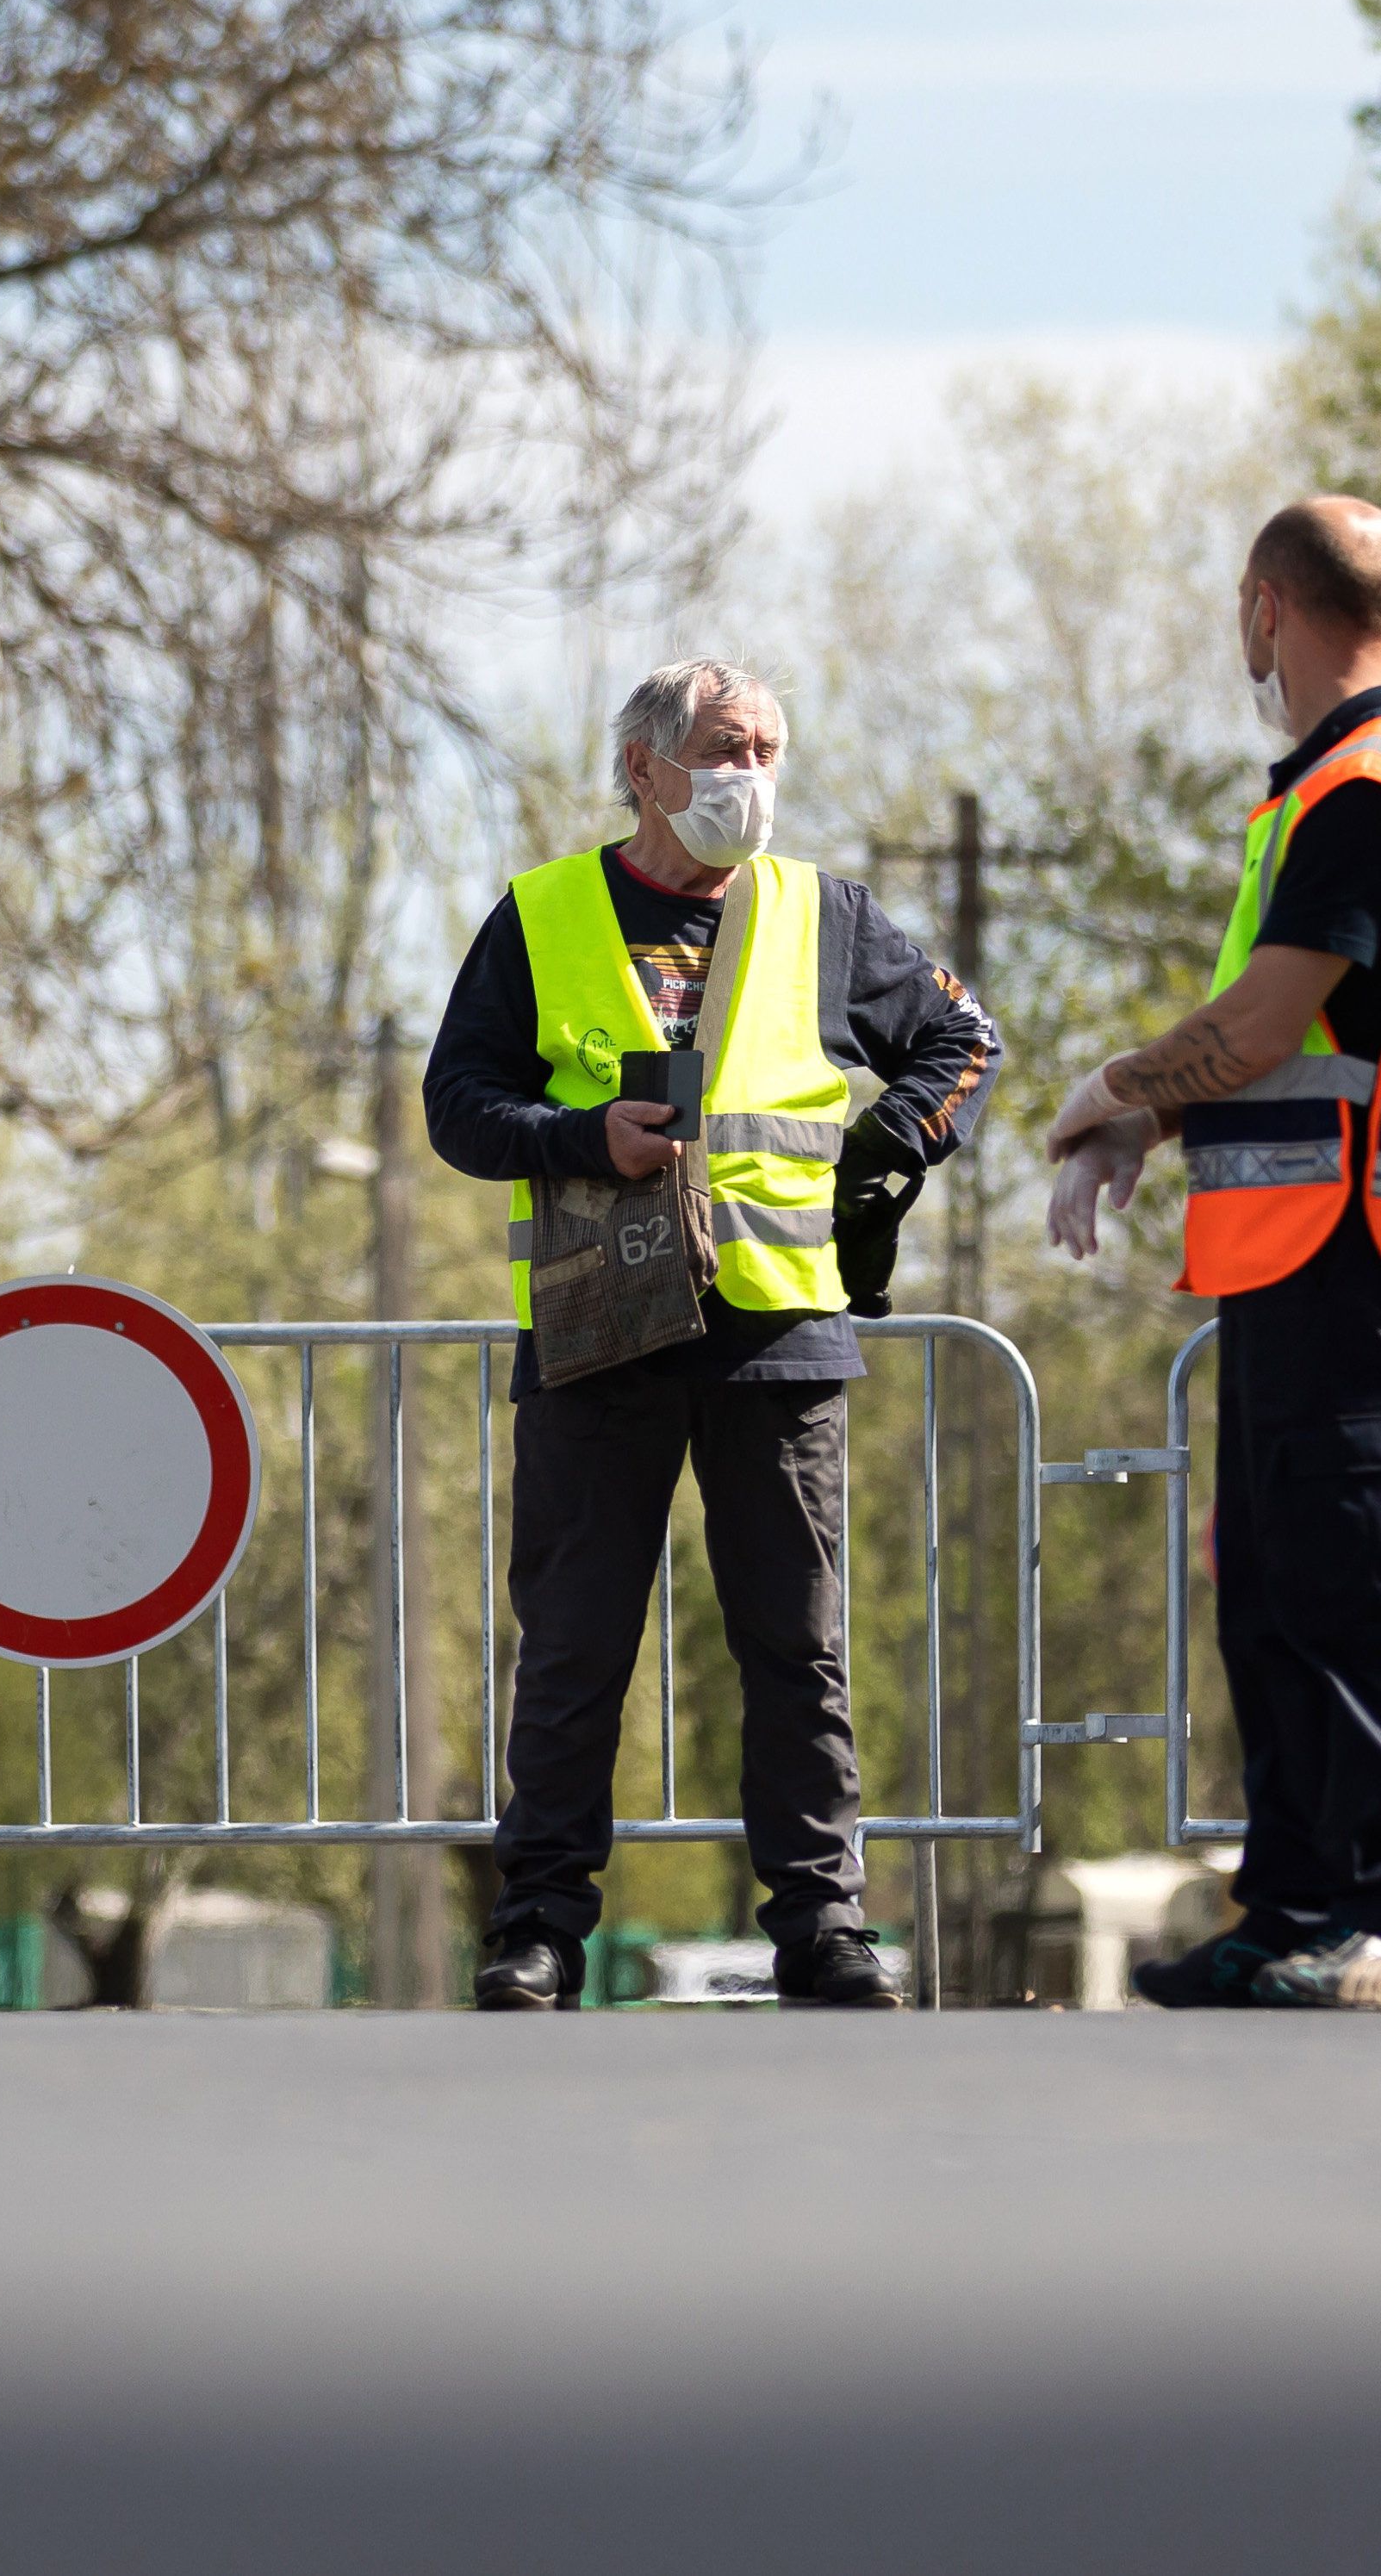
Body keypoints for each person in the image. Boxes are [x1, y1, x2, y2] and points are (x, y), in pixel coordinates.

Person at [424, 658, 998, 2010]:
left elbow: (961, 1038)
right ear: (646, 770)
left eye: (771, 750)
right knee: (574, 1646)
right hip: (597, 1325)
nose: (756, 775)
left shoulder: (827, 913)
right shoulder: (543, 914)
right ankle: (540, 1929)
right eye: (728, 749)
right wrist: (580, 1136)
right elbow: (457, 1103)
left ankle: (822, 1924)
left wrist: (888, 1150)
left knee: (797, 1649)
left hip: (775, 1334)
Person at [1042, 498, 1381, 2012]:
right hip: (1303, 1255)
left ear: (1266, 611)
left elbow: (1254, 1024)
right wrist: (1154, 1135)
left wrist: (1113, 1091)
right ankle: (1297, 1903)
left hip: (1359, 1256)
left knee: (1362, 1587)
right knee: (1279, 1588)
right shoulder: (1334, 787)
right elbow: (1294, 1042)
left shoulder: (1372, 787)